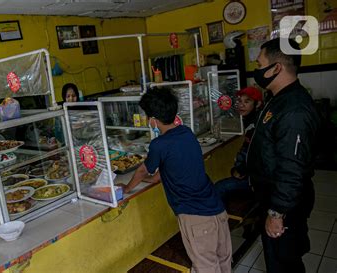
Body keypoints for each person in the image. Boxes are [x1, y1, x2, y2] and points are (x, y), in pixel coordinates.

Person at [119, 88, 232, 273]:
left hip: (195, 217)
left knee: (206, 267)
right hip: (217, 210)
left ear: (154, 119)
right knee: (223, 261)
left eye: (148, 117)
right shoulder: (186, 133)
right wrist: (151, 179)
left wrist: (126, 188)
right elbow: (169, 169)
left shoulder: (159, 144)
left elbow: (141, 170)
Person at [247, 38, 321, 273]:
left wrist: (277, 212)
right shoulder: (278, 98)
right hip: (271, 195)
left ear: (276, 68)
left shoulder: (294, 109)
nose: (256, 70)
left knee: (284, 261)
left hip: (285, 203)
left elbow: (293, 167)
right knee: (276, 257)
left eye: (260, 64)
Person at [214, 86, 263, 202]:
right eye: (239, 101)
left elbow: (254, 154)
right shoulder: (248, 120)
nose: (241, 105)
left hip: (256, 179)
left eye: (247, 101)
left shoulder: (256, 125)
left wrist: (240, 170)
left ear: (258, 104)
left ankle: (219, 220)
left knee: (219, 188)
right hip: (251, 174)